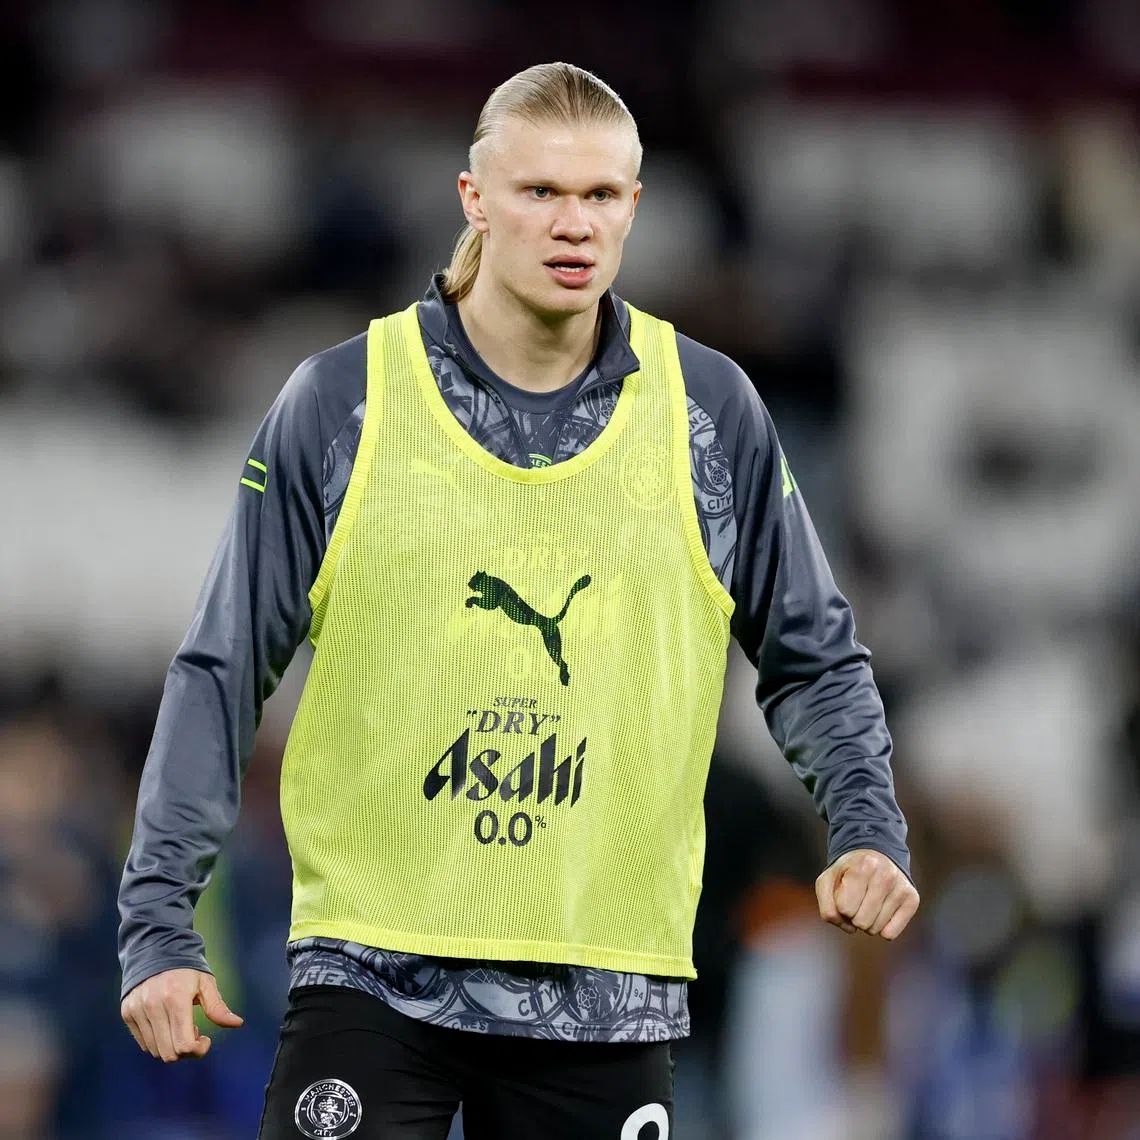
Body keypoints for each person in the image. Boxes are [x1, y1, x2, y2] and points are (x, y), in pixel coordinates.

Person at [117, 61, 919, 1140]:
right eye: (540, 191)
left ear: (635, 207)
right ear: (475, 200)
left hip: (607, 986)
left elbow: (813, 657)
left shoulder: (709, 415)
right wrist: (159, 922)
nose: (573, 223)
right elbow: (221, 670)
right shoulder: (344, 404)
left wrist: (865, 824)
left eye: (599, 195)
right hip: (371, 970)